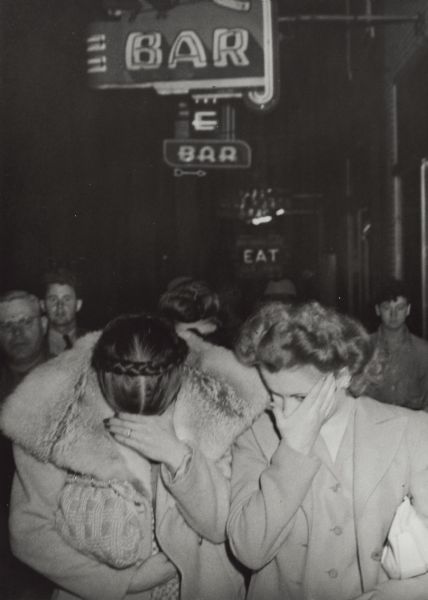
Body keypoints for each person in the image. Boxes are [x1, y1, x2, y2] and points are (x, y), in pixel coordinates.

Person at [0, 313, 249, 600]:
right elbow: (29, 532)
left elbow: (221, 528)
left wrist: (178, 456)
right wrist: (120, 583)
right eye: (122, 405)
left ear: (177, 379)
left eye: (157, 407)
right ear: (102, 379)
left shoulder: (212, 407)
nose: (138, 421)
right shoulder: (55, 418)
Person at [227, 300, 428, 600]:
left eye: (298, 396)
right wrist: (293, 450)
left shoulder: (410, 430)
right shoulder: (256, 436)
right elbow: (250, 551)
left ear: (343, 375)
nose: (284, 414)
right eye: (274, 395)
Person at [0, 290, 51, 599]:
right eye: (7, 325)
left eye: (25, 321)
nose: (17, 332)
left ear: (44, 324)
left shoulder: (69, 377)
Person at [367, 278, 428, 410]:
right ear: (377, 310)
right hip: (372, 426)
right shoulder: (365, 347)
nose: (393, 314)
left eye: (400, 308)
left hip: (412, 426)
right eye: (387, 308)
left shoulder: (423, 351)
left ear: (408, 309)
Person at [41, 266, 86, 356]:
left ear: (78, 305)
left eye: (67, 299)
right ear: (42, 305)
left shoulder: (94, 342)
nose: (60, 306)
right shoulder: (32, 345)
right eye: (53, 299)